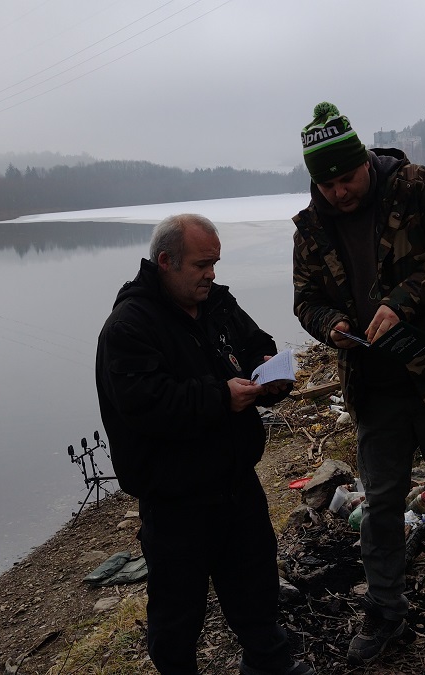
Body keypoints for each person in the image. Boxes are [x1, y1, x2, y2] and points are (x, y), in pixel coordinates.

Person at [290, 102, 425, 664]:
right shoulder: (311, 227)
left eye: (347, 177)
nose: (338, 192)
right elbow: (305, 300)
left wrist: (403, 303)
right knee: (381, 502)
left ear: (364, 160)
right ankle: (385, 608)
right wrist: (329, 325)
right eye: (326, 182)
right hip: (375, 385)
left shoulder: (416, 186)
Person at [95, 214, 313, 675]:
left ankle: (268, 665)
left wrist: (269, 369)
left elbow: (256, 342)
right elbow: (146, 404)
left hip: (236, 482)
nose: (212, 273)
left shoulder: (218, 303)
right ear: (166, 262)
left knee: (256, 587)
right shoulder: (128, 327)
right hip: (176, 500)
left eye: (215, 262)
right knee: (178, 616)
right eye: (202, 264)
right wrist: (222, 397)